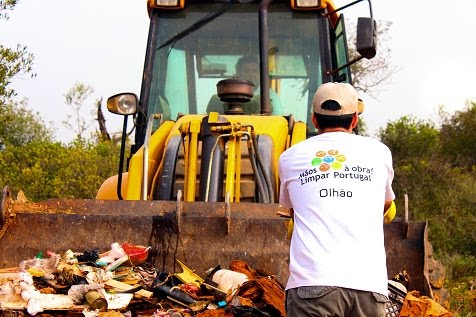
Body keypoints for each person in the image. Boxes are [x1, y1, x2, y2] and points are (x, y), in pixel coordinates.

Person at [278, 82, 395, 317]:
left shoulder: (289, 157)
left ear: (314, 120)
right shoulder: (380, 152)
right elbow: (386, 205)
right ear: (354, 120)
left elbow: (292, 210)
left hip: (312, 285)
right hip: (369, 288)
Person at [206, 55, 283, 114]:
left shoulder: (270, 95)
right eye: (247, 71)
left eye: (254, 71)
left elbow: (278, 119)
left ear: (260, 74)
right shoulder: (223, 97)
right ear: (238, 73)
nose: (251, 74)